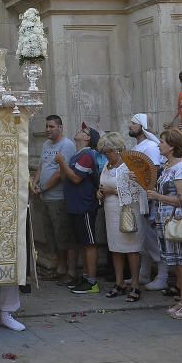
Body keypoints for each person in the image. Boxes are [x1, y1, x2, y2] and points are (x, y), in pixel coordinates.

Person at [149, 129, 182, 319]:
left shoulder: (181, 167)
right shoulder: (168, 166)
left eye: (162, 142)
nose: (159, 145)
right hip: (167, 219)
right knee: (177, 263)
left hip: (178, 220)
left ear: (172, 146)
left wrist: (158, 196)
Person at [96, 132, 145, 302]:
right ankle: (119, 283)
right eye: (104, 152)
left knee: (131, 249)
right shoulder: (107, 166)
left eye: (108, 152)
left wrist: (113, 191)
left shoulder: (129, 166)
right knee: (115, 248)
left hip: (128, 211)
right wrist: (100, 192)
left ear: (117, 150)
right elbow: (103, 184)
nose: (105, 155)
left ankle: (135, 285)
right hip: (110, 211)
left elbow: (136, 191)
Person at [31, 115, 76, 282]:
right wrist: (34, 184)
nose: (48, 129)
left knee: (64, 236)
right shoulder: (45, 144)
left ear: (60, 127)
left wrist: (43, 188)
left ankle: (70, 271)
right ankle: (60, 267)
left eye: (51, 126)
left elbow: (60, 173)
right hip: (45, 197)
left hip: (59, 197)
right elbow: (42, 166)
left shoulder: (67, 145)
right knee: (53, 237)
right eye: (47, 126)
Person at [57, 123, 101, 294]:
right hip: (75, 205)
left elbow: (75, 178)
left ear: (88, 138)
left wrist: (61, 162)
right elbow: (66, 177)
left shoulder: (87, 155)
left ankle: (92, 281)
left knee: (89, 243)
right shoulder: (77, 155)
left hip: (84, 205)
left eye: (84, 131)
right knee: (83, 242)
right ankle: (85, 276)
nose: (79, 131)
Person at [129, 114, 165, 289]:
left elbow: (154, 171)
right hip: (138, 197)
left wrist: (149, 192)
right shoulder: (139, 146)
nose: (130, 126)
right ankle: (143, 273)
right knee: (143, 238)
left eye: (133, 123)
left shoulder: (150, 146)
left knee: (152, 237)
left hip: (148, 197)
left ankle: (163, 275)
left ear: (141, 126)